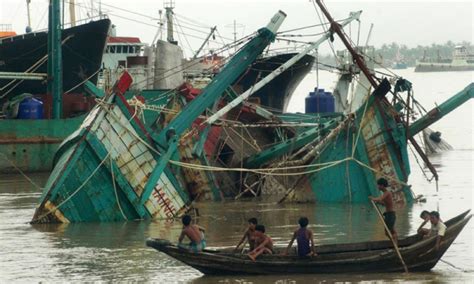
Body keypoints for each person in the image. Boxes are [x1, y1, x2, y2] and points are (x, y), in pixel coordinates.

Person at [369, 177, 398, 245]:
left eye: (378, 185)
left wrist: (373, 198)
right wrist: (378, 202)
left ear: (382, 185)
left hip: (391, 214)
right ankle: (395, 244)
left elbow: (380, 199)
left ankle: (395, 244)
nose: (378, 186)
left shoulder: (387, 193)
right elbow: (385, 204)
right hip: (388, 214)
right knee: (389, 231)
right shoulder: (385, 193)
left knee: (389, 231)